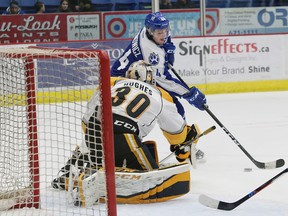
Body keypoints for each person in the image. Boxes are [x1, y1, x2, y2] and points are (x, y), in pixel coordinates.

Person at [52, 61, 201, 196]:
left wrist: (93, 141)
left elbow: (87, 118)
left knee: (101, 134)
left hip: (94, 128)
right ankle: (92, 181)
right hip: (126, 134)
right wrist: (182, 147)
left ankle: (81, 162)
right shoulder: (161, 95)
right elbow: (177, 132)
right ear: (151, 79)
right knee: (150, 176)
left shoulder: (112, 82)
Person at [110, 12, 206, 160]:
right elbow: (163, 80)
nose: (164, 35)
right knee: (164, 106)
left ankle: (183, 143)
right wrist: (188, 93)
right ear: (150, 31)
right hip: (124, 80)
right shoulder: (150, 51)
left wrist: (168, 50)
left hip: (133, 75)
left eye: (166, 30)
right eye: (159, 32)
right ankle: (182, 145)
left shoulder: (150, 32)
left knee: (173, 105)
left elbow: (164, 51)